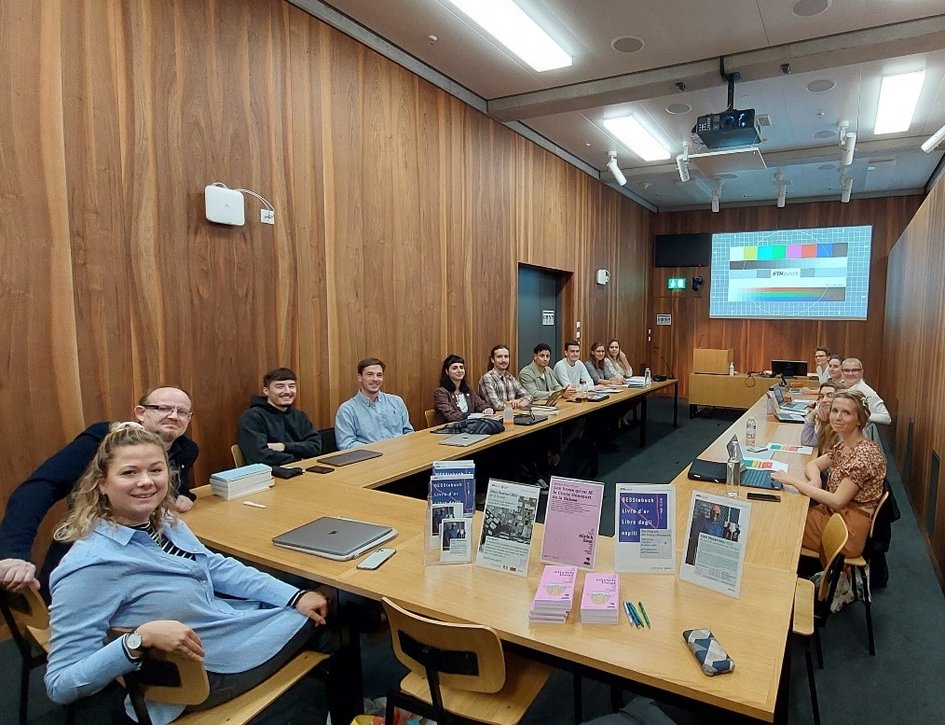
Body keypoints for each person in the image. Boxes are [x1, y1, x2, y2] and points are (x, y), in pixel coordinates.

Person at [44, 423, 337, 724]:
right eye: (129, 472)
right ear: (102, 483)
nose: (145, 482)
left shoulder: (162, 521)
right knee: (335, 613)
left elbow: (213, 565)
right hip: (201, 676)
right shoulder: (90, 565)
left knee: (310, 596)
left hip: (224, 627)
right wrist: (137, 640)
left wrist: (295, 596)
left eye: (155, 470)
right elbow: (60, 684)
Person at [0, 386, 198, 596]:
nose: (173, 416)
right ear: (141, 413)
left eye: (182, 412)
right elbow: (39, 488)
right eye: (163, 408)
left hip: (145, 552)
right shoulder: (103, 441)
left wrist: (185, 493)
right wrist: (13, 552)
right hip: (90, 556)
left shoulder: (185, 450)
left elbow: (176, 484)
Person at [772, 390, 886, 558]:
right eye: (835, 411)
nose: (837, 417)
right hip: (833, 515)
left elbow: (837, 501)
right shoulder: (845, 445)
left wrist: (792, 481)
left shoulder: (864, 456)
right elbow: (813, 464)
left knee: (779, 523)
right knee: (786, 511)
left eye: (846, 413)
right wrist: (816, 478)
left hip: (846, 530)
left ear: (860, 419)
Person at [236, 368, 321, 466]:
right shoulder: (252, 418)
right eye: (280, 387)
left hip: (301, 470)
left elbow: (316, 447)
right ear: (266, 391)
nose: (287, 391)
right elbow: (259, 457)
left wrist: (284, 447)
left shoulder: (299, 416)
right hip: (271, 475)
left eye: (291, 386)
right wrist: (298, 457)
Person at [335, 357, 413, 449]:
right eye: (370, 374)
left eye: (379, 375)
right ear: (360, 378)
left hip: (400, 455)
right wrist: (380, 450)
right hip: (369, 459)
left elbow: (409, 433)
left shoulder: (396, 402)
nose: (375, 379)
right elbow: (346, 444)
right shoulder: (347, 410)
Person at [432, 354, 493, 423]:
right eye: (454, 368)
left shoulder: (468, 390)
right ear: (447, 372)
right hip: (448, 429)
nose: (459, 370)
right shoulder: (441, 392)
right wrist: (471, 416)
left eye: (461, 367)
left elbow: (480, 404)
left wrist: (486, 408)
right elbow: (451, 415)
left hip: (467, 426)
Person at [478, 344, 532, 411]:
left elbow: (529, 396)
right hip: (495, 419)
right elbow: (497, 406)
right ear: (492, 360)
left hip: (512, 415)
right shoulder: (487, 378)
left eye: (506, 356)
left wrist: (518, 401)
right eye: (499, 357)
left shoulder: (510, 377)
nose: (503, 360)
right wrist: (515, 403)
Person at [840, 357, 891, 424]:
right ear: (841, 372)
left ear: (861, 372)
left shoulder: (868, 392)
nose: (850, 373)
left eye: (855, 370)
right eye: (846, 370)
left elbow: (886, 418)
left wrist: (860, 415)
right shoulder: (838, 386)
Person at [801, 381, 840, 455]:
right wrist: (811, 416)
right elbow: (807, 442)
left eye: (830, 395)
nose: (824, 400)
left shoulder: (843, 425)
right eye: (821, 396)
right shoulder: (826, 420)